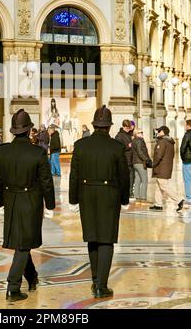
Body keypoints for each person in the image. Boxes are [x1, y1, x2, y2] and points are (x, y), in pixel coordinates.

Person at [0, 109, 55, 303]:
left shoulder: (2, 151)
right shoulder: (37, 152)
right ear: (29, 131)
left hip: (11, 199)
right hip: (31, 201)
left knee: (22, 241)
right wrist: (50, 204)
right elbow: (46, 181)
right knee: (23, 243)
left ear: (13, 131)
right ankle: (12, 287)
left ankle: (32, 277)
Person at [69, 105, 130, 299]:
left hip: (86, 195)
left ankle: (95, 279)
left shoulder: (80, 145)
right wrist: (124, 198)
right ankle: (101, 286)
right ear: (109, 126)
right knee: (107, 239)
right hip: (109, 195)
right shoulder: (117, 147)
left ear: (95, 125)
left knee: (92, 237)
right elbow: (123, 176)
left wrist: (73, 198)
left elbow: (74, 175)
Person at [149, 126, 185, 212]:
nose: (157, 132)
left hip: (162, 167)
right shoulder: (169, 141)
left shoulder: (162, 142)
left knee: (164, 186)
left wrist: (153, 164)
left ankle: (179, 200)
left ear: (163, 132)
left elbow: (158, 155)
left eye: (159, 131)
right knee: (159, 186)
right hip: (166, 166)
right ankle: (158, 204)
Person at [115, 119, 135, 199]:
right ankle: (125, 193)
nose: (128, 129)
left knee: (131, 177)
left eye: (129, 128)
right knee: (125, 178)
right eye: (127, 128)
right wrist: (128, 146)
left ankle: (130, 192)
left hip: (131, 159)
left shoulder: (129, 134)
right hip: (125, 160)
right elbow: (118, 148)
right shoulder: (119, 136)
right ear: (123, 126)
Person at [132, 129, 152, 202]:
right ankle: (143, 197)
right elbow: (140, 152)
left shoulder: (134, 140)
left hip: (135, 163)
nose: (141, 134)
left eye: (142, 132)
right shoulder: (139, 141)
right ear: (136, 133)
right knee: (144, 180)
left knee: (137, 180)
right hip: (140, 163)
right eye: (140, 132)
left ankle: (136, 196)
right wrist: (147, 159)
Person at [180, 119, 191, 205]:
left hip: (188, 160)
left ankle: (189, 198)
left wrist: (183, 157)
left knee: (187, 179)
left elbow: (183, 147)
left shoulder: (187, 134)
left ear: (188, 125)